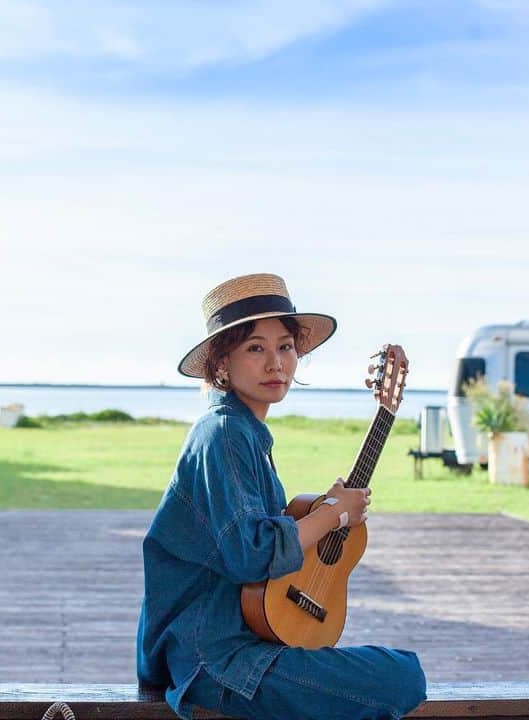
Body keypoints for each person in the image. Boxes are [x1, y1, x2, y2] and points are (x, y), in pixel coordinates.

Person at [137, 273, 427, 720]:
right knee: (402, 675)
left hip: (242, 646)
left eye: (285, 347)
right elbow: (252, 554)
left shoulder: (244, 432)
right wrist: (331, 516)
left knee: (390, 672)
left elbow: (254, 534)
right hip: (215, 660)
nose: (275, 363)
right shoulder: (224, 433)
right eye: (255, 348)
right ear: (221, 364)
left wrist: (321, 508)